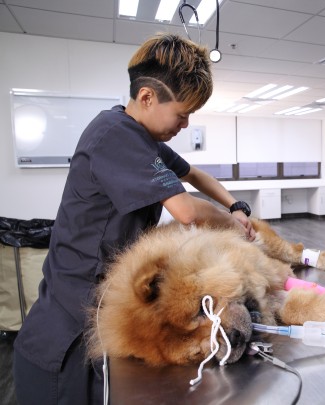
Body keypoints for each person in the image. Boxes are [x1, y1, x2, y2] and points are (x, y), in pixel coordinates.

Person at [12, 33, 255, 404]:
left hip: (103, 304)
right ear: (147, 97)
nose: (185, 124)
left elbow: (195, 175)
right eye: (182, 114)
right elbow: (187, 210)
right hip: (70, 325)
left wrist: (237, 205)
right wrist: (232, 224)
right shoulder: (114, 134)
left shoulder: (145, 141)